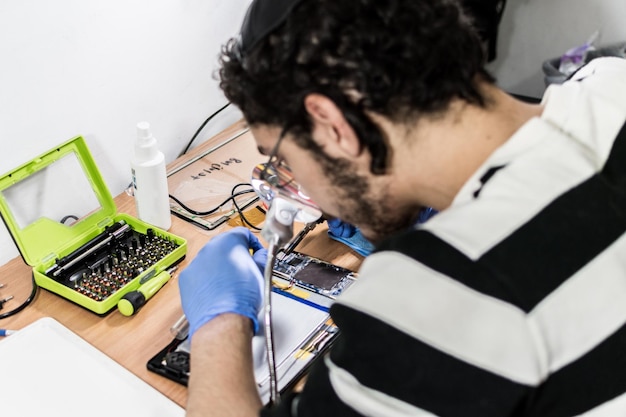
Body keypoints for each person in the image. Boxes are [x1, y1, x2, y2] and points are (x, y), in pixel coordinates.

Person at [178, 0, 626, 415]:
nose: (290, 180)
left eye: (283, 157)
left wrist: (219, 323)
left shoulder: (440, 292)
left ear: (333, 125)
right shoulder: (610, 80)